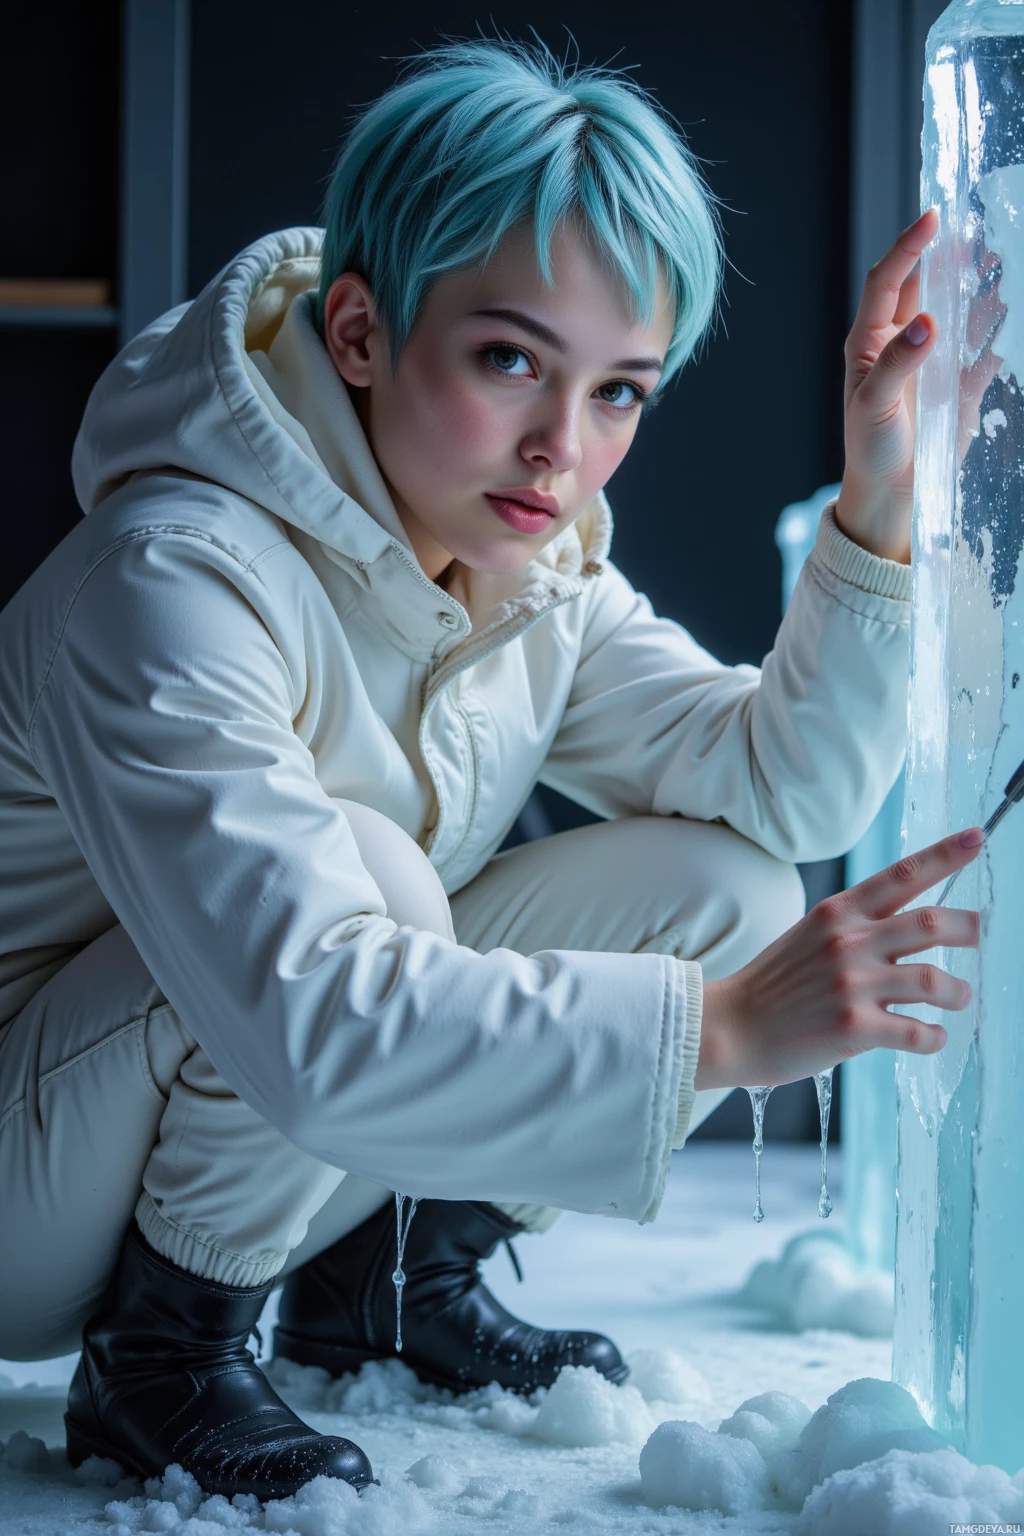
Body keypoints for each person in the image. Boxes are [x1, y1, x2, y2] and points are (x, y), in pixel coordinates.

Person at [0, 38, 981, 1501]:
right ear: (358, 332)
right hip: (23, 1183)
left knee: (727, 888)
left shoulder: (521, 568)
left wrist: (882, 494)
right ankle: (163, 1358)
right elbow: (311, 1016)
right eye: (511, 360)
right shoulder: (170, 579)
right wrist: (718, 1034)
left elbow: (793, 789)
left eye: (619, 391)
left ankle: (388, 1278)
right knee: (374, 879)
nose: (559, 450)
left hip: (257, 1093)